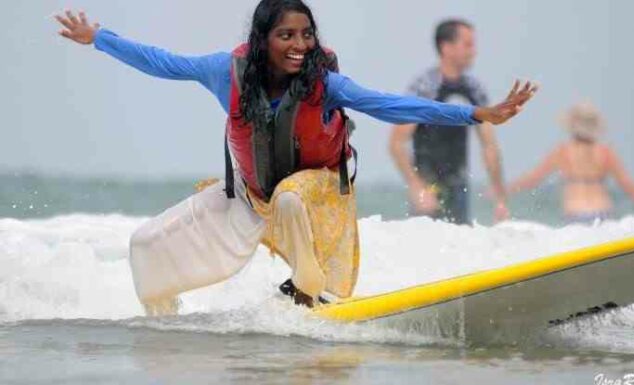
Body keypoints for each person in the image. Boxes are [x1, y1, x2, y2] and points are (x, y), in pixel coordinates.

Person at [54, 0, 537, 312]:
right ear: (264, 38)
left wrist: (477, 115)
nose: (300, 45)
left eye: (306, 35)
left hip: (316, 195)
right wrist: (99, 39)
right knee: (146, 245)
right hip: (251, 197)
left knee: (290, 197)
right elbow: (161, 62)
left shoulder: (326, 84)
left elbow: (394, 105)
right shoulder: (227, 72)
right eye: (287, 35)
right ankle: (166, 331)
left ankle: (307, 288)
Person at [390, 19, 508, 225]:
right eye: (468, 44)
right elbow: (396, 143)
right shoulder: (425, 87)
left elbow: (489, 145)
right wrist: (417, 186)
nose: (474, 51)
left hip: (459, 186)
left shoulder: (473, 89)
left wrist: (500, 197)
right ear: (446, 47)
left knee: (461, 249)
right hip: (428, 188)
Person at [506, 101, 634, 224]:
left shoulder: (563, 151)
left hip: (575, 213)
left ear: (571, 125)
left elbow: (533, 178)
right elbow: (630, 187)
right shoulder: (605, 152)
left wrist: (502, 190)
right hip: (603, 212)